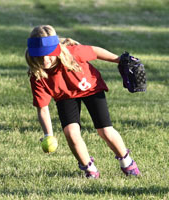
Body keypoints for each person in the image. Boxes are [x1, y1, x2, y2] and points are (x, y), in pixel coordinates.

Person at [25, 25, 140, 178]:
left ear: (57, 49)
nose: (45, 59)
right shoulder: (38, 74)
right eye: (39, 56)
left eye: (49, 54)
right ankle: (89, 169)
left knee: (105, 130)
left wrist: (119, 60)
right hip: (65, 96)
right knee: (71, 134)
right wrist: (48, 134)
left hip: (91, 88)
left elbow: (95, 51)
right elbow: (43, 108)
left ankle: (127, 163)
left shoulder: (73, 53)